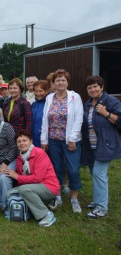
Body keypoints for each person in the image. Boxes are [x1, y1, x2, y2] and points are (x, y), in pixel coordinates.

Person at [41, 69, 83, 214]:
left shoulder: (74, 97)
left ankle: (74, 199)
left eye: (63, 80)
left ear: (67, 82)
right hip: (53, 140)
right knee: (56, 169)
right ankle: (57, 196)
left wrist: (72, 139)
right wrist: (44, 140)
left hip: (69, 141)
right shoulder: (49, 98)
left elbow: (78, 119)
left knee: (73, 170)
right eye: (57, 80)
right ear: (53, 83)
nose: (60, 82)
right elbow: (45, 120)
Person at [81, 75, 121, 218]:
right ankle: (98, 200)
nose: (92, 90)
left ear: (101, 87)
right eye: (89, 87)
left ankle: (102, 208)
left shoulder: (111, 101)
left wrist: (106, 113)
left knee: (99, 173)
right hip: (90, 145)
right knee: (95, 174)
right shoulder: (88, 104)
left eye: (95, 86)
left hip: (105, 144)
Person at [5, 130, 60, 227]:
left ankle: (47, 215)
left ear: (31, 141)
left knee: (23, 190)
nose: (22, 143)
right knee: (8, 194)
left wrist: (17, 176)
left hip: (48, 186)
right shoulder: (20, 157)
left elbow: (37, 178)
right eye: (19, 141)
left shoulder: (39, 153)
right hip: (31, 186)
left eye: (24, 140)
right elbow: (22, 181)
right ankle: (28, 209)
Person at [31, 80, 50, 148]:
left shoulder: (49, 104)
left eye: (40, 91)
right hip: (33, 138)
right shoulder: (33, 105)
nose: (38, 93)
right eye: (36, 91)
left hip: (45, 140)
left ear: (47, 91)